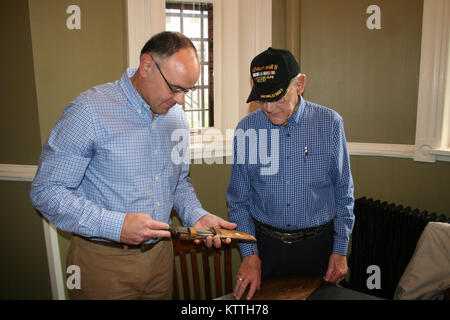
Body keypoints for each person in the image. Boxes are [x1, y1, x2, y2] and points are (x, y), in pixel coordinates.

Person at [30, 31, 235, 300]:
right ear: (147, 65)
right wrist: (116, 226)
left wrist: (195, 214)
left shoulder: (176, 118)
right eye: (175, 88)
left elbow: (178, 184)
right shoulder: (89, 111)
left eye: (187, 91)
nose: (181, 100)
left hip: (161, 257)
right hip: (103, 263)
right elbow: (46, 191)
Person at [227, 48, 355, 300]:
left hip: (319, 247)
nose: (270, 108)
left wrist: (340, 251)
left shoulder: (329, 124)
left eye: (278, 98)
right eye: (263, 99)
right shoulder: (246, 128)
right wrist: (250, 254)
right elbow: (238, 201)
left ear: (300, 84)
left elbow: (343, 192)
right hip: (266, 248)